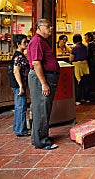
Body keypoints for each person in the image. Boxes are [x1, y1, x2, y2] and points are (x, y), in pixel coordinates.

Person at [27, 19, 59, 150]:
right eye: (48, 26)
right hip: (42, 78)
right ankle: (42, 142)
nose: (50, 28)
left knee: (41, 109)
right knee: (41, 110)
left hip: (45, 77)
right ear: (39, 27)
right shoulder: (37, 42)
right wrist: (44, 83)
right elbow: (36, 63)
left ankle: (38, 138)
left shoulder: (41, 41)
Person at [10, 34, 30, 137]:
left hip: (19, 84)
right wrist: (21, 86)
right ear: (18, 44)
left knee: (19, 107)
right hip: (18, 85)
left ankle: (18, 128)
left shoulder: (20, 54)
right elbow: (16, 71)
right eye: (24, 42)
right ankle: (21, 130)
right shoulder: (18, 56)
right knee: (21, 107)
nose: (26, 44)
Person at [69, 34, 90, 105]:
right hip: (85, 65)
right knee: (86, 82)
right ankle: (87, 98)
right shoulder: (85, 47)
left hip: (77, 67)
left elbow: (71, 58)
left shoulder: (74, 48)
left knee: (78, 83)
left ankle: (78, 99)